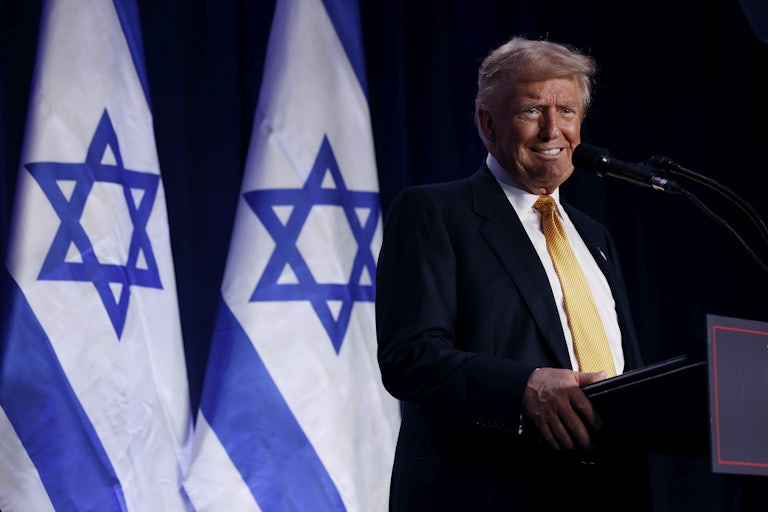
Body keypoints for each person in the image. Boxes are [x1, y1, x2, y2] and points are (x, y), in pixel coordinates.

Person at [376, 36, 652, 511]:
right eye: (531, 110)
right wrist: (523, 388)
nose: (552, 130)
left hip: (609, 491)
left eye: (566, 111)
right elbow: (410, 357)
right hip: (490, 493)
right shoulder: (435, 212)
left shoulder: (595, 237)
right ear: (488, 123)